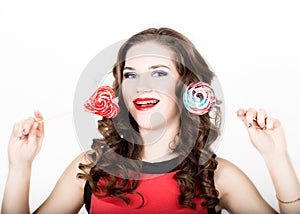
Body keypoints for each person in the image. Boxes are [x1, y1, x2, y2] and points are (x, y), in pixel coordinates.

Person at [2, 27, 300, 214]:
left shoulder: (219, 176)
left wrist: (277, 158)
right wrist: (20, 166)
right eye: (130, 74)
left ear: (189, 88)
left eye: (159, 72)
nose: (140, 84)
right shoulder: (91, 167)